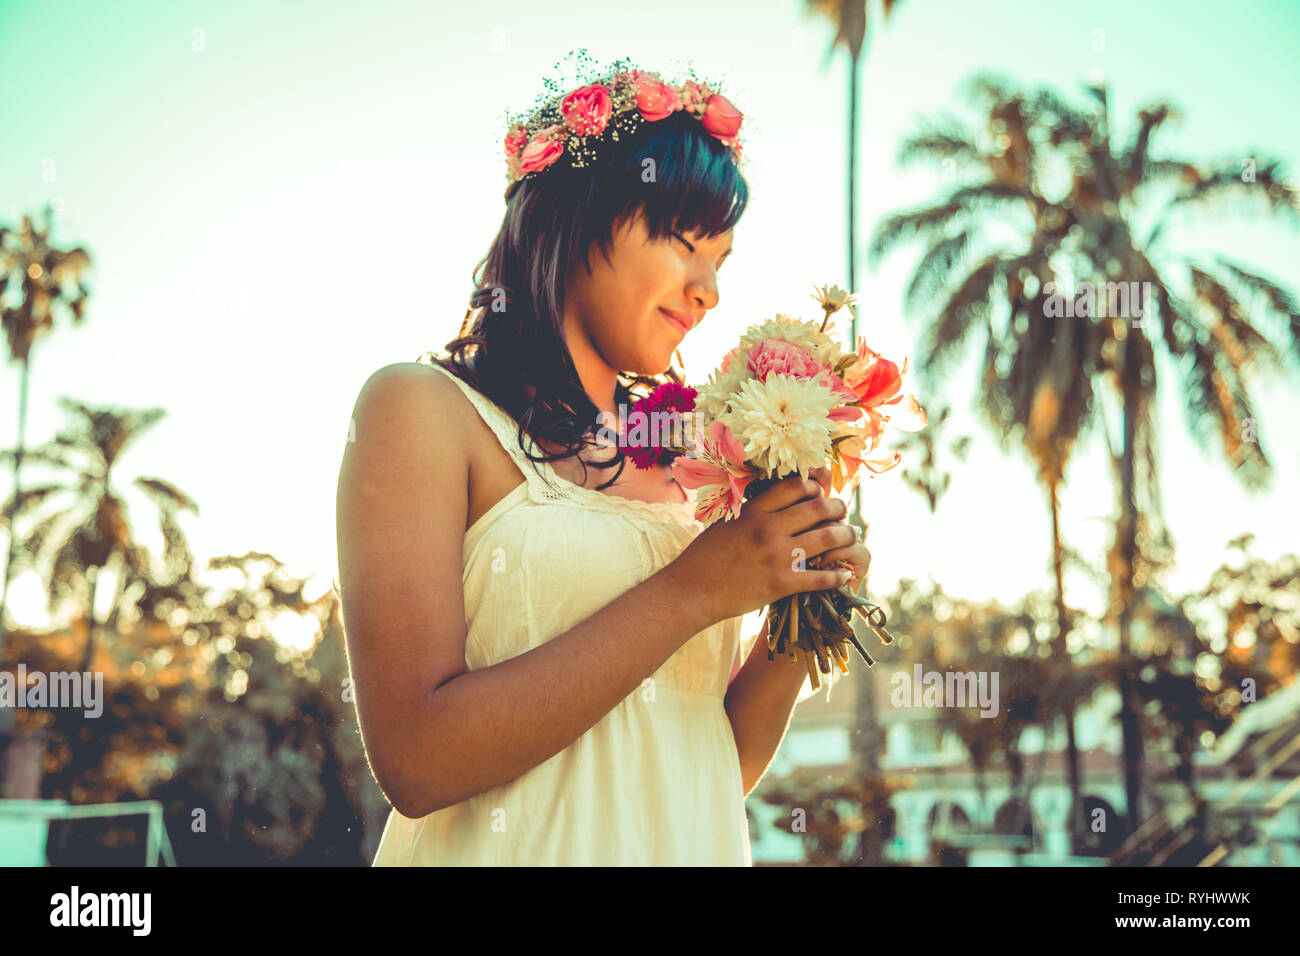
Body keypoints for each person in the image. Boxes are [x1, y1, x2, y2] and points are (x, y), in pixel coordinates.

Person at [335, 56, 870, 865]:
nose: (708, 292)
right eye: (687, 243)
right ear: (580, 215)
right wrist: (697, 590)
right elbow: (416, 760)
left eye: (721, 264)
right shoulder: (421, 410)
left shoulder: (697, 460)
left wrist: (798, 599)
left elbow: (709, 759)